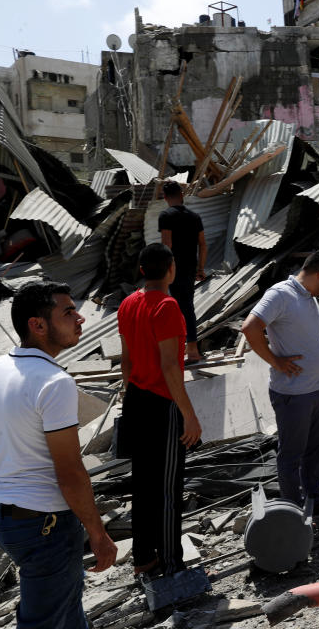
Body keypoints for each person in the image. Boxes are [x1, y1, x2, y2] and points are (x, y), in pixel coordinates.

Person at [0, 281, 116, 628]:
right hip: (44, 524)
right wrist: (97, 532)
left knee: (66, 611)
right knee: (45, 620)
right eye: (68, 312)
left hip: (1, 518)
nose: (80, 318)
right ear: (37, 325)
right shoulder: (54, 382)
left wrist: (3, 491)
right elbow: (69, 469)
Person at [118, 243, 203, 577]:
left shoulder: (128, 303)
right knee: (168, 487)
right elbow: (171, 367)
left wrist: (131, 394)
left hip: (136, 398)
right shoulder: (168, 307)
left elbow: (126, 361)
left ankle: (143, 558)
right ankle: (171, 563)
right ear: (171, 269)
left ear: (141, 270)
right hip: (162, 403)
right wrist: (190, 415)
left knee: (143, 484)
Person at [240, 251, 319, 517]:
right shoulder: (280, 294)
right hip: (295, 393)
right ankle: (294, 513)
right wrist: (275, 361)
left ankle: (315, 501)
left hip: (318, 387)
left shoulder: (309, 298)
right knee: (291, 456)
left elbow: (299, 333)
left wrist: (318, 351)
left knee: (316, 450)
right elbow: (250, 328)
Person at [159, 181, 207, 362]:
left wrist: (166, 271)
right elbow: (202, 244)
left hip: (174, 268)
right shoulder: (195, 217)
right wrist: (200, 267)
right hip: (190, 268)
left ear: (165, 197)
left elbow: (167, 245)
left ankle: (191, 350)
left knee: (181, 308)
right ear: (182, 195)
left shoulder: (166, 216)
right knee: (186, 307)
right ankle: (188, 348)